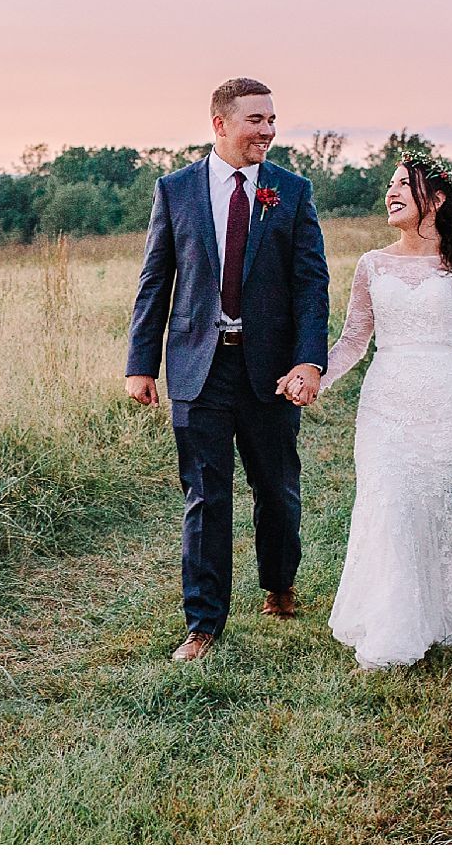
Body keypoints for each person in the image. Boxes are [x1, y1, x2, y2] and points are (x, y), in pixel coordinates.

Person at [284, 151, 452, 668]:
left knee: (446, 504)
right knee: (392, 500)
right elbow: (354, 339)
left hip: (449, 400)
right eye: (390, 184)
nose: (391, 192)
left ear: (436, 200)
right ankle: (395, 620)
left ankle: (448, 604)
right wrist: (315, 378)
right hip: (387, 403)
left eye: (403, 184)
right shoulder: (372, 264)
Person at [126, 78, 330, 662]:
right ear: (220, 124)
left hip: (271, 369)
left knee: (277, 487)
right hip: (199, 366)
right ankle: (203, 623)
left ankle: (279, 582)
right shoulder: (175, 190)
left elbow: (310, 284)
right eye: (255, 120)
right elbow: (155, 281)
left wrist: (308, 360)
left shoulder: (292, 191)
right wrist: (141, 363)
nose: (268, 130)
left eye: (272, 119)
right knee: (205, 496)